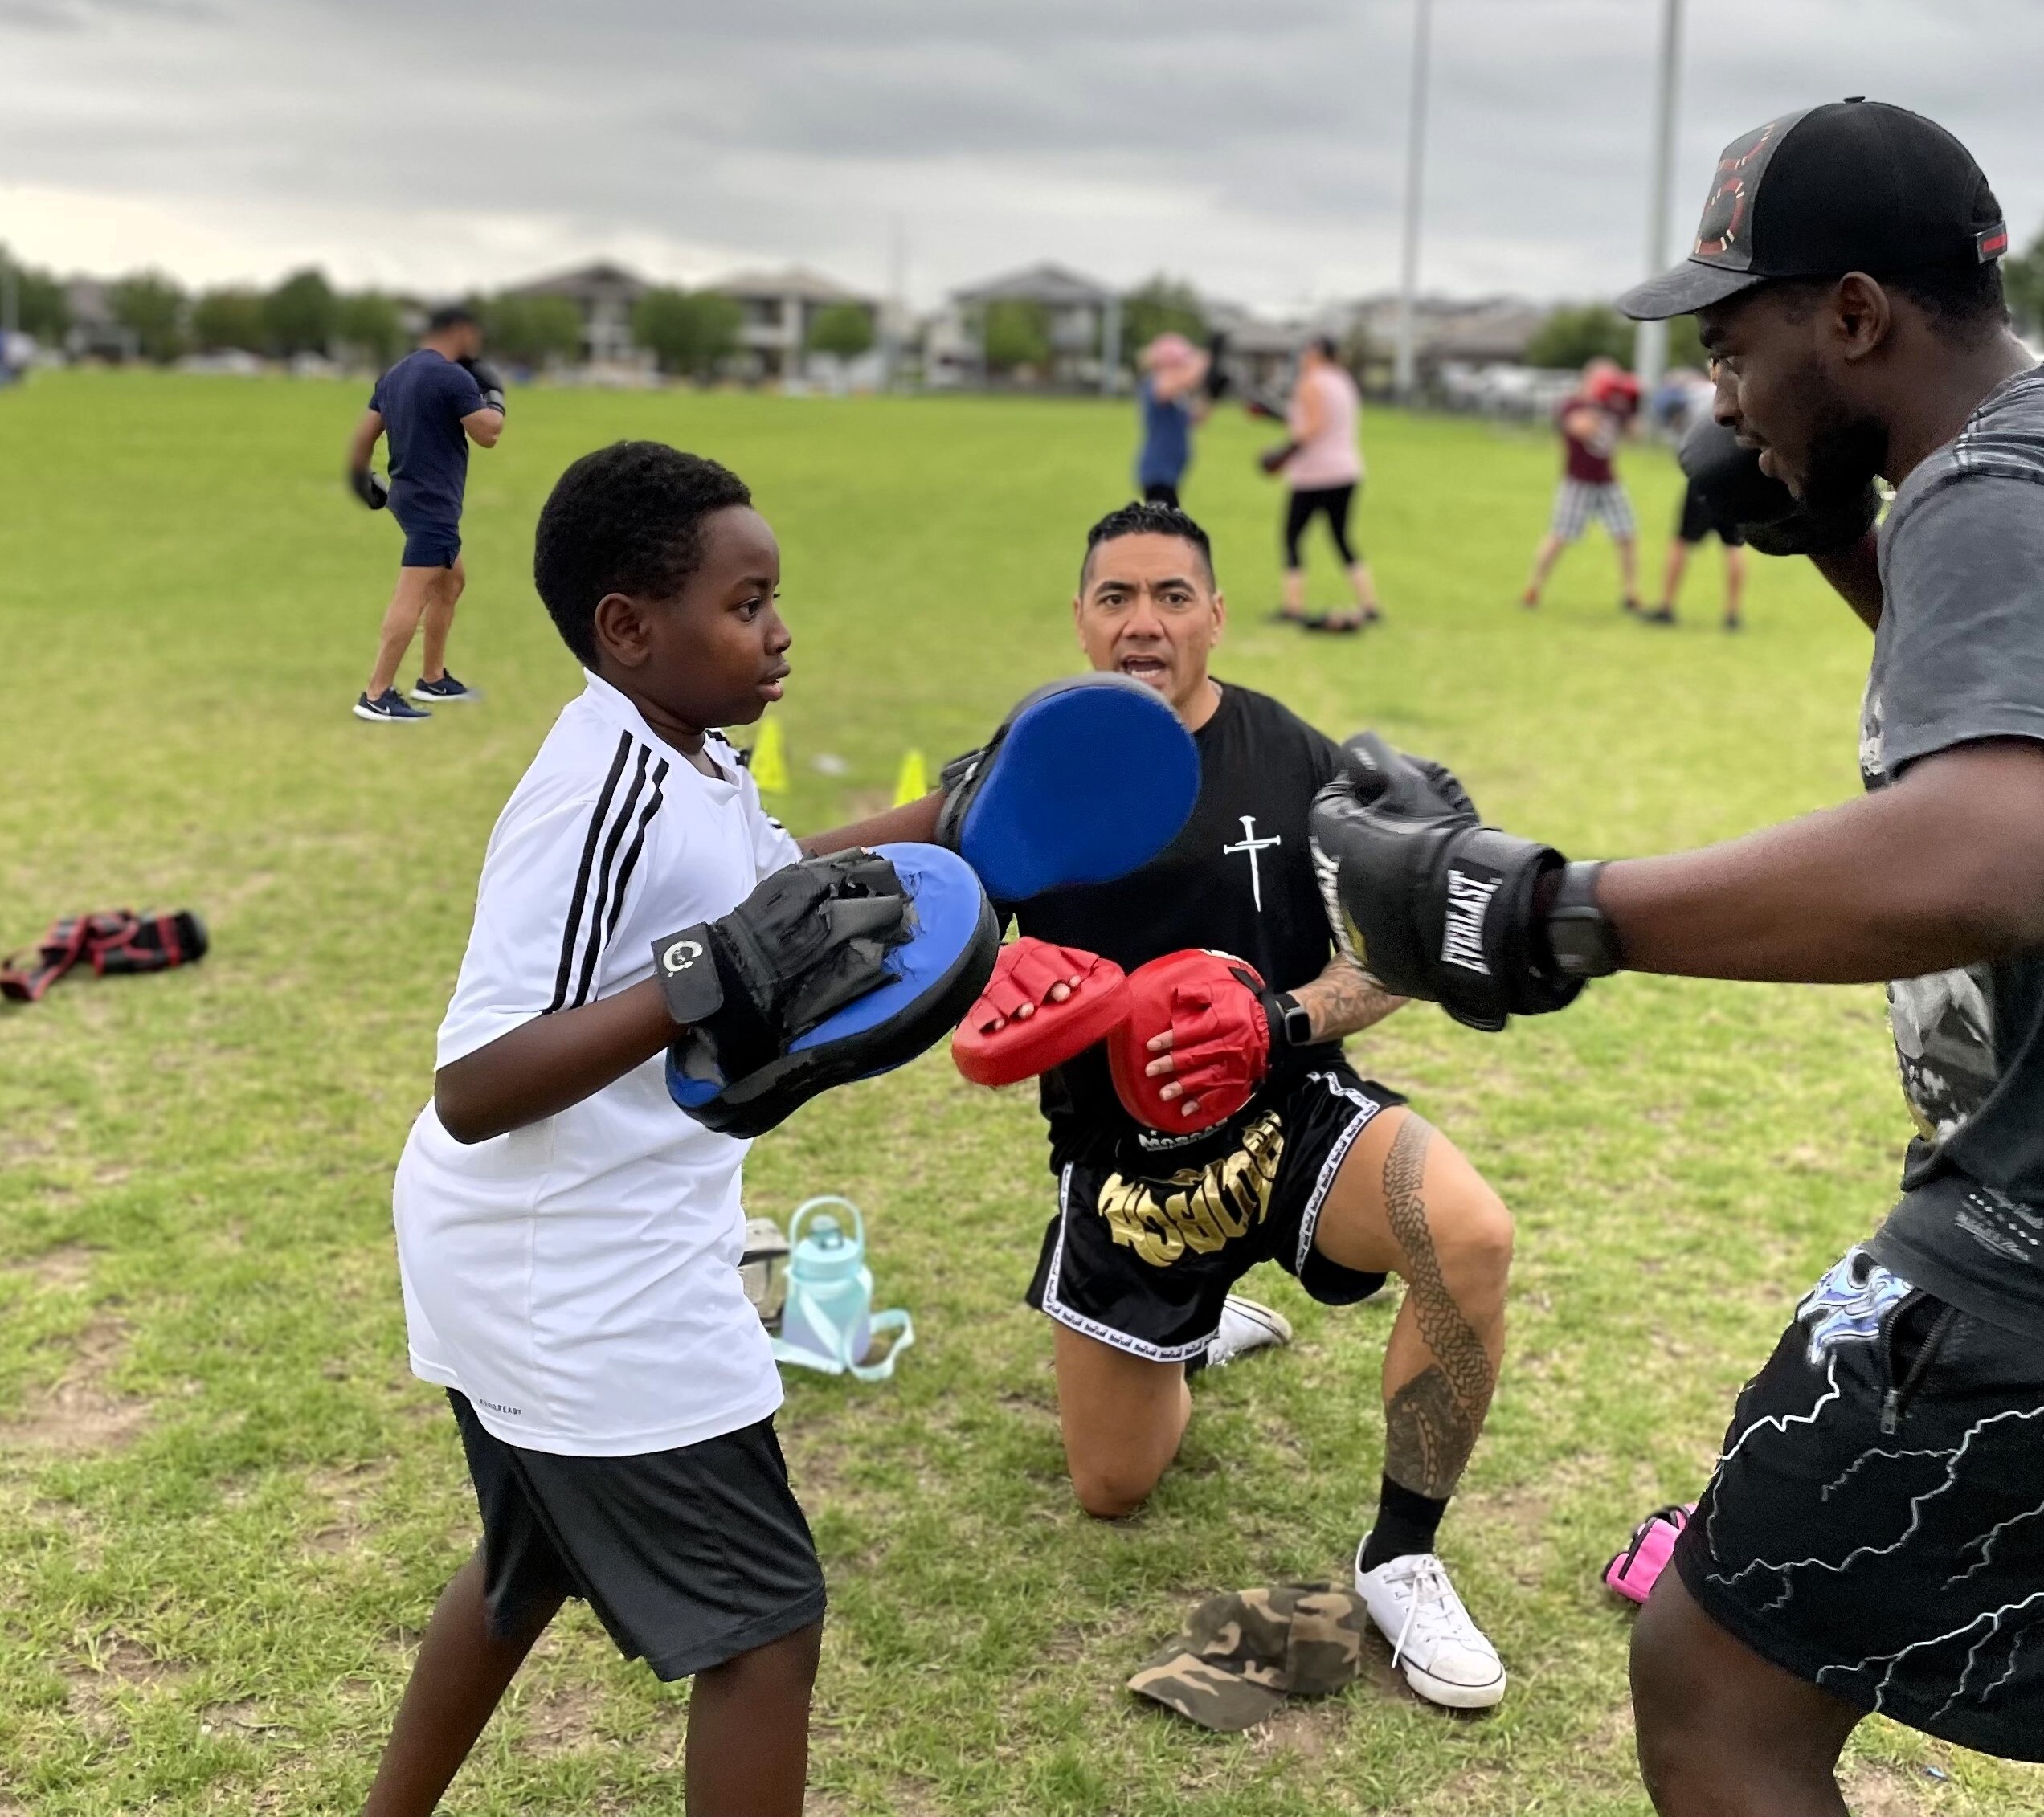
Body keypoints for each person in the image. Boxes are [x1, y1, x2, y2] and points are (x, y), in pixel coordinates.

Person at [1309, 100, 2044, 1815]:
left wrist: (1545, 906)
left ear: (1852, 318)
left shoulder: (1991, 495)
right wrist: (1829, 530)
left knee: (1711, 1671)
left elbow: (1989, 859)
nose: (1716, 395)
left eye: (1732, 344)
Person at [368, 440, 946, 1817]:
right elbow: (477, 1078)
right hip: (564, 1263)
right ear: (629, 629)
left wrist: (958, 812)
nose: (780, 628)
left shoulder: (686, 752)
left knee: (529, 1560)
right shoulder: (595, 794)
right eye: (747, 603)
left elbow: (768, 893)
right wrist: (698, 979)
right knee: (761, 1624)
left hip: (552, 1239)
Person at [927, 500, 1515, 1708]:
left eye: (1171, 596)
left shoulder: (1293, 759)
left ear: (1215, 616)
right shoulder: (1025, 762)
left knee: (1470, 1235)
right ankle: (1196, 1316)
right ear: (1082, 622)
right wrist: (992, 973)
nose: (1144, 622)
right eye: (1116, 597)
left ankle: (1401, 1554)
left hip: (1289, 1111)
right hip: (1123, 1162)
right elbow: (936, 932)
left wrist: (1280, 1018)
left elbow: (1392, 957)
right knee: (1110, 1489)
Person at [344, 305, 506, 723]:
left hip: (407, 496)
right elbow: (488, 433)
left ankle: (432, 679)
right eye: (475, 335)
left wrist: (364, 480)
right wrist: (494, 396)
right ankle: (376, 694)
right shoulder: (452, 376)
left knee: (451, 582)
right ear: (461, 331)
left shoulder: (395, 374)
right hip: (434, 503)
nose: (478, 344)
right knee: (413, 595)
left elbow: (365, 436)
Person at [1272, 336, 1383, 633]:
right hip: (1347, 469)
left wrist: (1281, 455)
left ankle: (1293, 607)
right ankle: (1370, 604)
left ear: (1317, 354)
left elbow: (1313, 426)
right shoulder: (1344, 380)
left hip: (1315, 473)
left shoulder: (1311, 382)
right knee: (1341, 537)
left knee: (1293, 536)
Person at [1520, 357, 1645, 618]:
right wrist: (1598, 403)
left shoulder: (1615, 405)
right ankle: (1533, 587)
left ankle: (1631, 593)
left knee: (1627, 534)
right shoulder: (1572, 405)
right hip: (1578, 481)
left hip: (1608, 481)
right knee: (1560, 535)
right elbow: (1582, 429)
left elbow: (1635, 435)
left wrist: (1633, 404)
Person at [1650, 365, 1750, 629]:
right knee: (1733, 544)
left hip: (1705, 476)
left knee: (1681, 540)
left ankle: (1666, 606)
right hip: (1736, 478)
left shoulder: (1691, 394)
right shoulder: (1742, 391)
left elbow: (1680, 432)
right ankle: (1733, 614)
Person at [1134, 333, 1210, 506]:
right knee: (1166, 528)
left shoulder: (1177, 395)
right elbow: (1186, 379)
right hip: (1158, 473)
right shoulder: (1155, 384)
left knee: (1170, 526)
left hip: (1171, 473)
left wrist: (1211, 393)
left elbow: (1197, 419)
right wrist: (1203, 363)